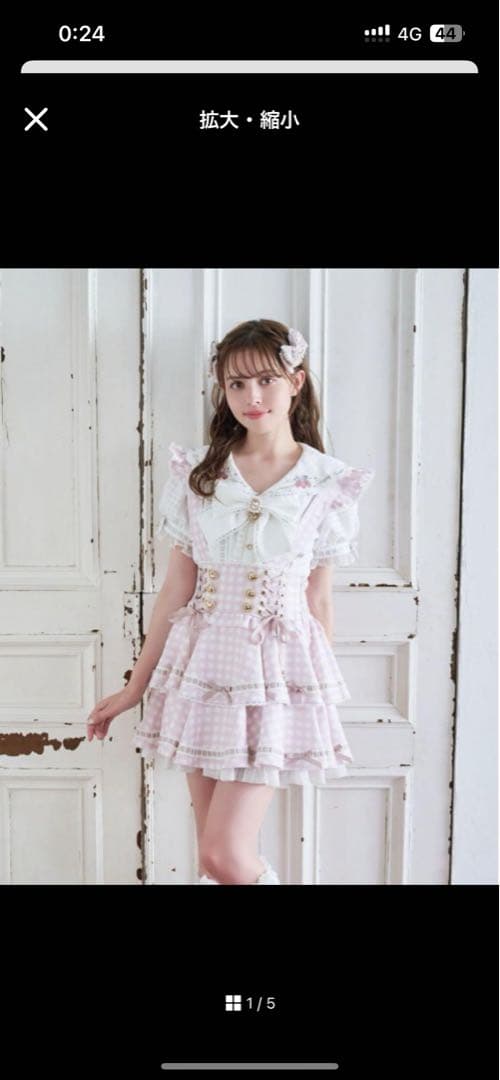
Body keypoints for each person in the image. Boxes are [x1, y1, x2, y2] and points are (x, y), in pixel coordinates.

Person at [86, 318, 375, 885]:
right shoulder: (201, 474)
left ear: (296, 381)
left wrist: (314, 699)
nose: (252, 397)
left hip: (275, 677)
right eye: (237, 384)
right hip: (201, 669)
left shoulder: (326, 481)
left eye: (266, 380)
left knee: (224, 855)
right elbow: (177, 589)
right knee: (213, 862)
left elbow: (318, 599)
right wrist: (134, 688)